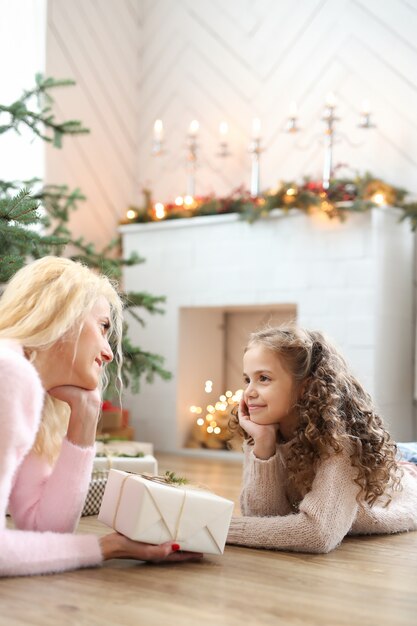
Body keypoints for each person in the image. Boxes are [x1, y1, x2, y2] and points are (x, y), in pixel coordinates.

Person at [0, 256, 200, 577]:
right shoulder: (9, 374)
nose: (108, 352)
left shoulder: (23, 382)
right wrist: (108, 548)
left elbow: (45, 533)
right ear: (62, 315)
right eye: (103, 326)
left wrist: (86, 414)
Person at [226, 324, 417, 554]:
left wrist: (221, 527)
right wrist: (264, 445)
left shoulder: (340, 442)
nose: (249, 392)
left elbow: (317, 534)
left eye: (263, 378)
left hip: (407, 475)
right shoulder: (264, 430)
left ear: (305, 387)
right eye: (247, 379)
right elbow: (263, 518)